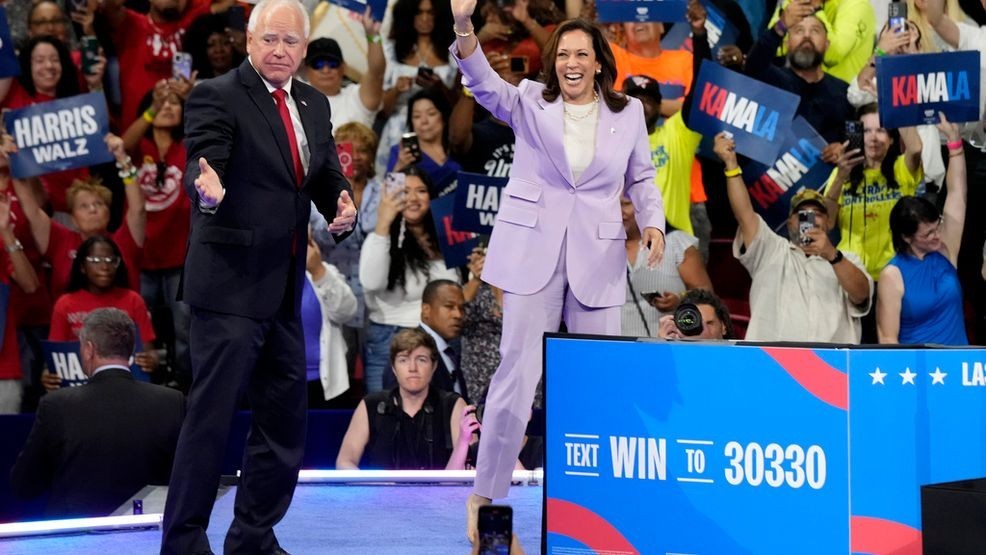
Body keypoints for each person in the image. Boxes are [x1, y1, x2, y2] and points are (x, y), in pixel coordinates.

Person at [449, 6, 666, 540]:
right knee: (516, 378)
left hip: (598, 258)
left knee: (601, 382)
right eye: (563, 54)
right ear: (553, 62)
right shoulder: (527, 101)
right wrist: (463, 26)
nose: (572, 63)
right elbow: (481, 82)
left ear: (598, 63)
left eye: (581, 55)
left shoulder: (629, 112)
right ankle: (485, 499)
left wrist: (654, 223)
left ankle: (597, 506)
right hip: (530, 256)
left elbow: (642, 176)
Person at [160, 0, 357, 552]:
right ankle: (183, 541)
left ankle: (251, 535)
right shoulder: (216, 94)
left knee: (285, 424)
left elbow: (321, 175)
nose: (280, 50)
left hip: (285, 287)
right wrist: (208, 187)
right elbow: (206, 156)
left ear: (302, 46)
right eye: (270, 39)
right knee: (211, 421)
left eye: (291, 42)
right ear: (249, 40)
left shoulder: (314, 103)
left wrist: (340, 202)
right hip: (227, 287)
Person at [10, 308, 185, 518]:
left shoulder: (57, 404)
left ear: (88, 350)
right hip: (148, 536)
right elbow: (188, 479)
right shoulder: (171, 401)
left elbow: (24, 485)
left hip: (76, 541)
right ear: (129, 349)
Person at [714, 132, 873, 342]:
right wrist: (731, 165)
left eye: (817, 214)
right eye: (802, 214)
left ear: (828, 222)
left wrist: (832, 255)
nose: (810, 219)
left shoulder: (847, 260)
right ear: (790, 223)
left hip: (830, 368)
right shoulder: (770, 250)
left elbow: (861, 295)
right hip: (775, 366)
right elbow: (744, 213)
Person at [358, 167, 459, 393]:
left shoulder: (446, 237)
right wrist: (383, 222)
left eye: (421, 191)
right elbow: (371, 283)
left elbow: (457, 294)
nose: (413, 198)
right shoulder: (381, 238)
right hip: (391, 340)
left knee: (442, 418)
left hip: (441, 340)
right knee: (386, 418)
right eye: (405, 191)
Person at [122, 81, 193, 384]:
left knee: (184, 330)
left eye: (174, 102)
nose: (167, 106)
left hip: (180, 257)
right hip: (141, 256)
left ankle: (185, 386)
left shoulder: (189, 144)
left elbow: (215, 128)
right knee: (138, 327)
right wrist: (151, 110)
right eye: (159, 102)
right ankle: (138, 385)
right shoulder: (140, 147)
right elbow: (122, 144)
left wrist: (191, 98)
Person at [878, 115, 968, 345]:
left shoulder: (944, 248)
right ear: (907, 237)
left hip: (960, 368)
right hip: (920, 374)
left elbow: (957, 193)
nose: (936, 236)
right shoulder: (892, 275)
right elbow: (888, 338)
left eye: (936, 227)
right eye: (927, 234)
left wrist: (954, 142)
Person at [335, 327, 468, 469]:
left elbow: (466, 468)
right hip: (382, 490)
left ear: (434, 366)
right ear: (393, 367)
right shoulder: (372, 405)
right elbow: (344, 462)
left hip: (441, 491)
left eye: (421, 360)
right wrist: (371, 487)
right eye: (403, 360)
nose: (412, 368)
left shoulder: (453, 405)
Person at [823, 102, 924, 282]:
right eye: (867, 131)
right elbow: (828, 223)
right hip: (852, 271)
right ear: (856, 135)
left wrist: (897, 104)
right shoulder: (840, 173)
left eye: (881, 130)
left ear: (892, 138)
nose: (873, 138)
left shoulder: (901, 168)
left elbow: (915, 148)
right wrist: (840, 177)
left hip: (895, 272)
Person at [47, 236, 158, 376]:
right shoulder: (65, 303)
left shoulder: (133, 300)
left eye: (111, 260)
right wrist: (49, 374)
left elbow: (149, 351)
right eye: (95, 260)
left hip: (124, 384)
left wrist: (151, 360)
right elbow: (56, 355)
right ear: (82, 267)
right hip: (80, 385)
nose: (105, 267)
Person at [744, 7, 854, 147]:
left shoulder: (845, 93)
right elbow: (753, 64)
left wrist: (842, 149)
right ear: (787, 43)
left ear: (827, 45)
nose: (807, 36)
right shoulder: (772, 79)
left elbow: (856, 147)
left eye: (815, 31)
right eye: (799, 30)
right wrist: (780, 26)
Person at [622, 196, 711, 338]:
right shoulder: (602, 250)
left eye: (625, 204)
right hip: (615, 348)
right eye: (614, 205)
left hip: (668, 348)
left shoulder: (677, 243)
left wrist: (680, 299)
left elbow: (706, 293)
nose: (620, 211)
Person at [302, 232, 358, 407]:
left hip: (324, 384)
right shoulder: (263, 278)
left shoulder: (324, 272)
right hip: (277, 383)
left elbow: (348, 312)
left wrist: (318, 271)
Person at [300, 16, 385, 130]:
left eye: (332, 63)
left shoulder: (357, 98)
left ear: (343, 67)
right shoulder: (294, 98)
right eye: (318, 64)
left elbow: (377, 73)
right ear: (306, 69)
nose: (326, 70)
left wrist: (373, 35)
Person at [387, 88, 463, 195]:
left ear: (444, 117)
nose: (424, 121)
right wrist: (400, 166)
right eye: (417, 116)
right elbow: (390, 196)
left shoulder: (459, 144)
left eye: (431, 114)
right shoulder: (400, 152)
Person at [418, 279, 467, 399]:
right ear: (426, 310)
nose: (458, 315)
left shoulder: (449, 351)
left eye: (461, 308)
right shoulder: (411, 350)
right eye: (449, 307)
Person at [657, 288, 735, 340]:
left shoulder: (738, 357)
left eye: (709, 323)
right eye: (694, 324)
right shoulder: (675, 356)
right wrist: (662, 348)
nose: (703, 330)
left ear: (723, 326)